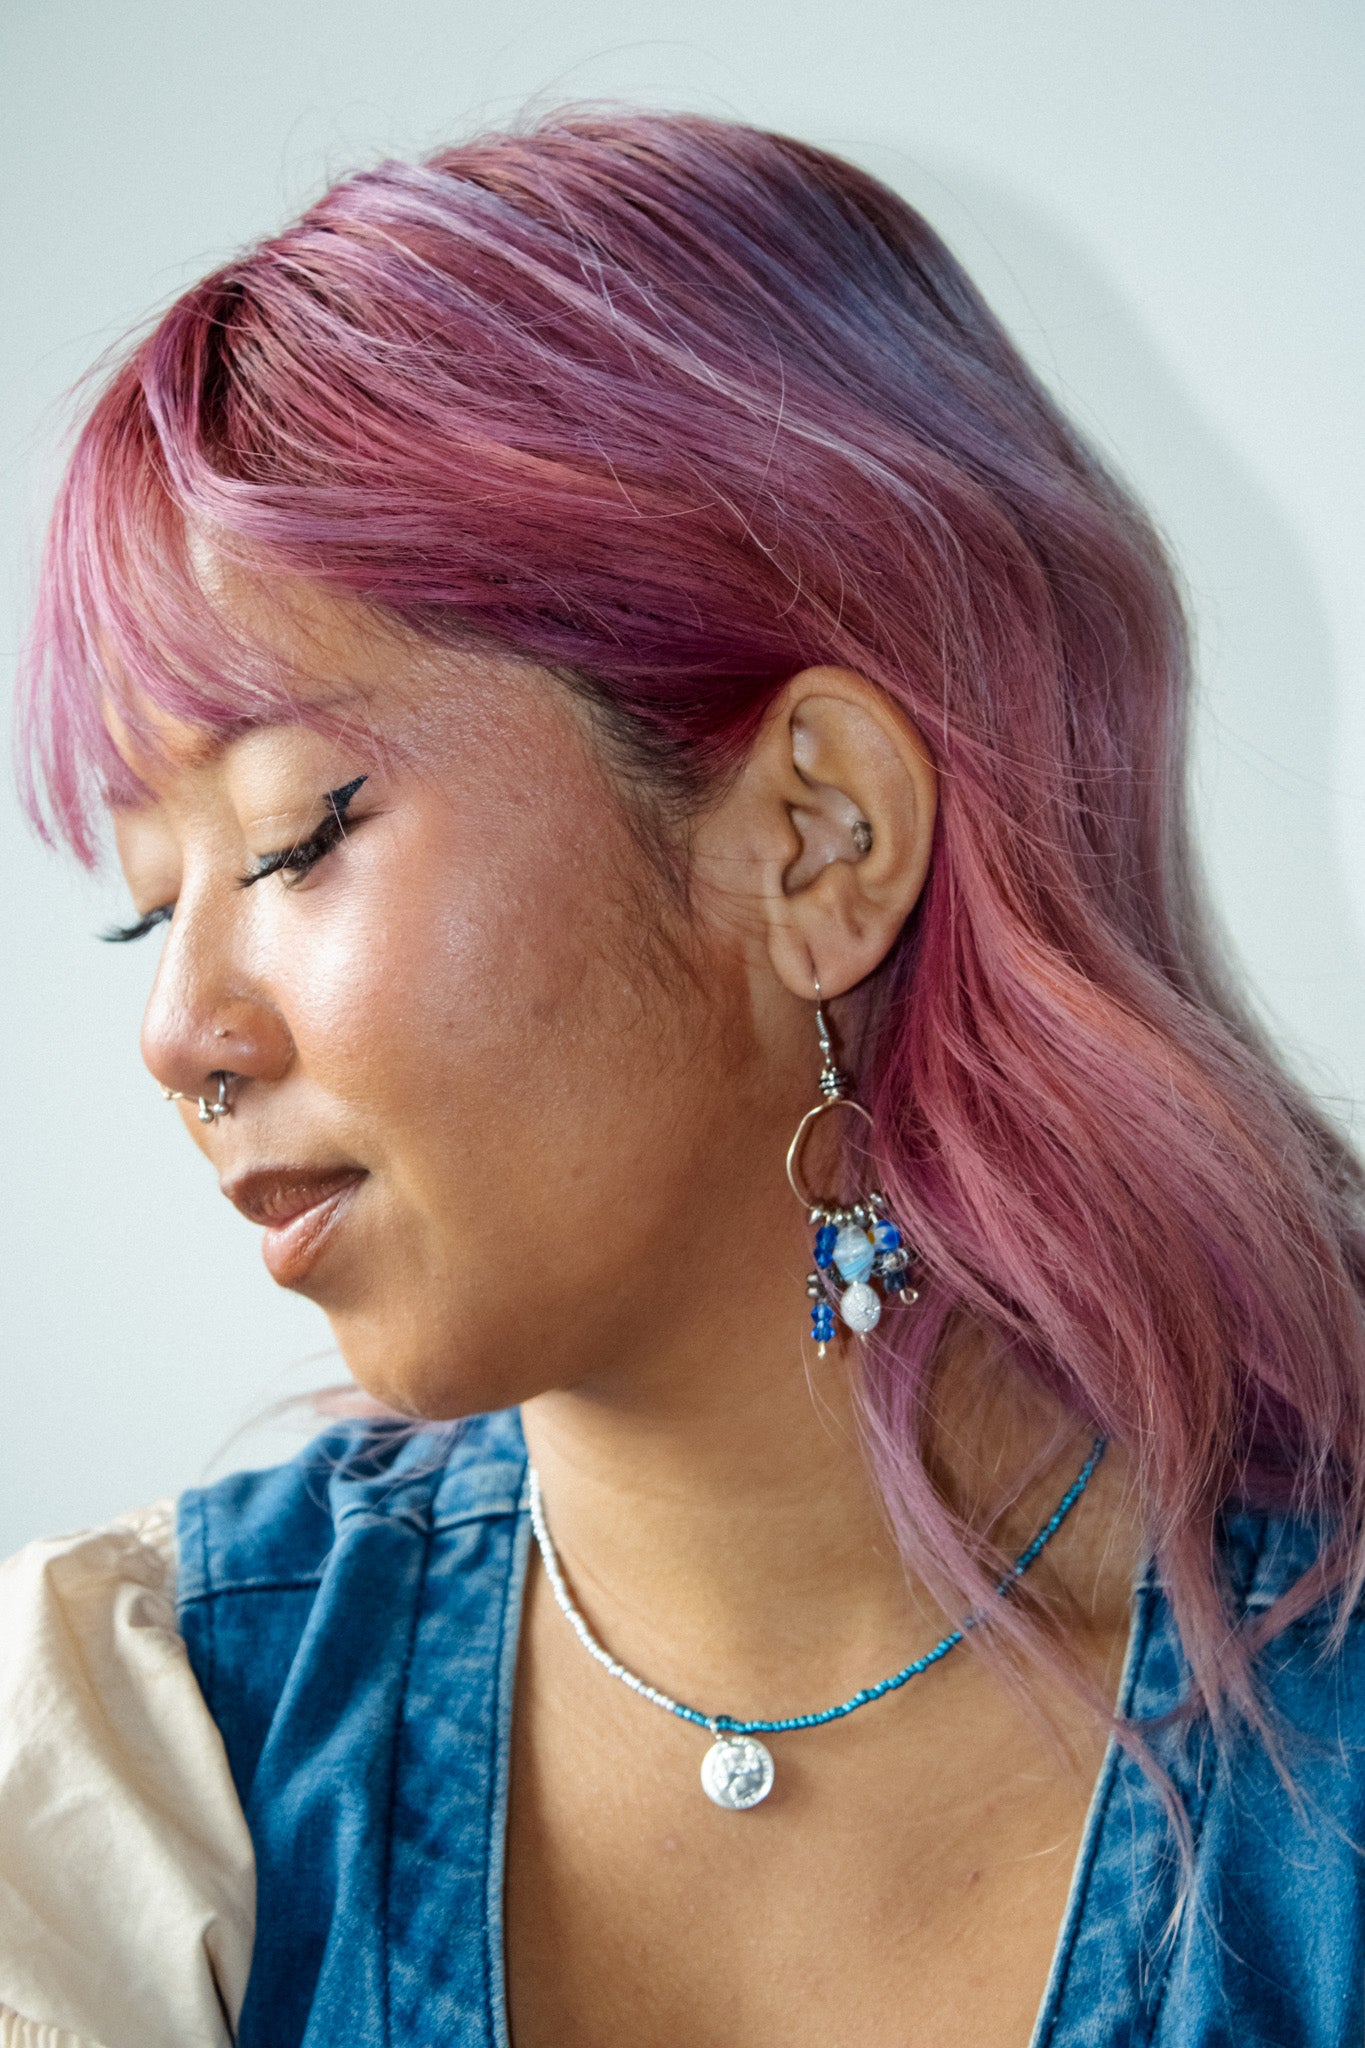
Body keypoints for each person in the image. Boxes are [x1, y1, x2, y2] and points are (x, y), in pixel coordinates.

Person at [3, 108, 1363, 2048]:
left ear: (813, 836)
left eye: (297, 838)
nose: (182, 1030)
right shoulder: (139, 1769)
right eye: (151, 910)